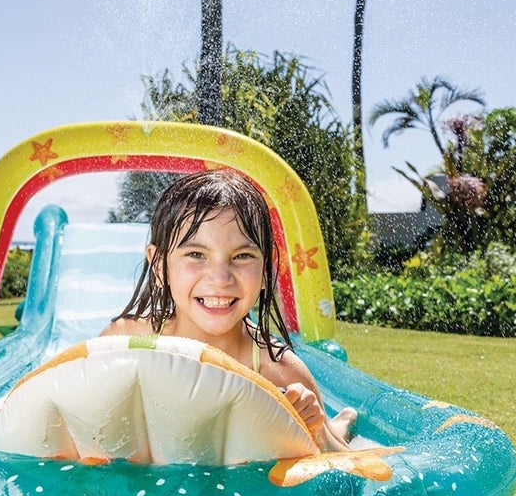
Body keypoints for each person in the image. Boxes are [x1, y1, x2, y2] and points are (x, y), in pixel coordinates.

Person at [101, 168, 356, 452]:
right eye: (196, 255)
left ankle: (339, 424)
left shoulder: (279, 371)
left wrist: (318, 431)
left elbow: (348, 469)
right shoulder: (124, 342)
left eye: (242, 256)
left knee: (333, 431)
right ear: (160, 265)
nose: (221, 279)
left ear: (266, 269)